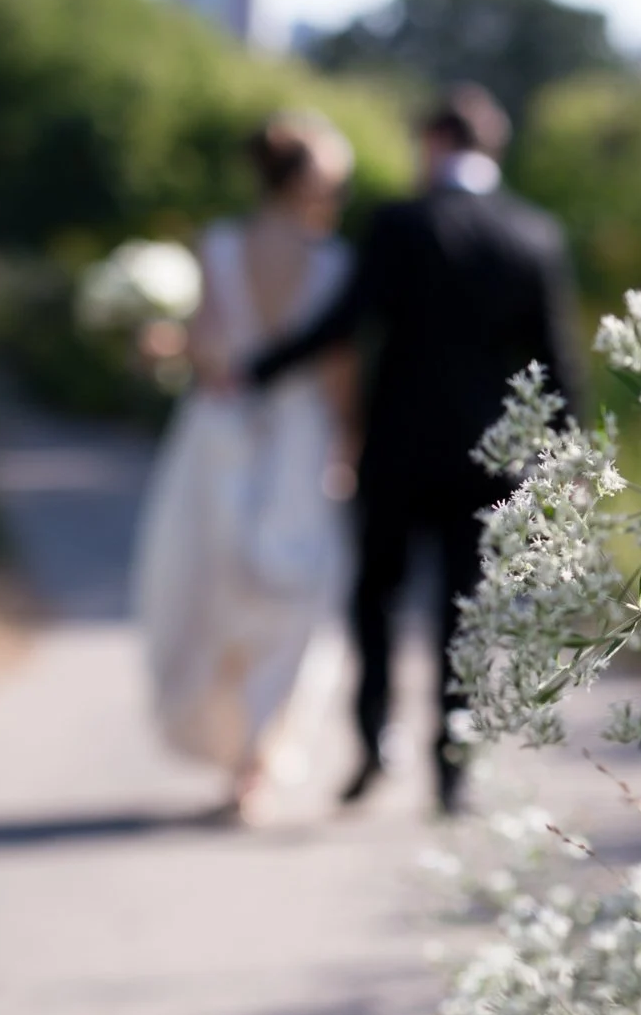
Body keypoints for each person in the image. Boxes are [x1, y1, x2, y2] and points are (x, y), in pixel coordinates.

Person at [247, 85, 583, 814]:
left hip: (398, 450)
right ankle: (451, 769)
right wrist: (571, 463)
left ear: (432, 142)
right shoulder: (533, 234)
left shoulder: (400, 223)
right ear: (490, 147)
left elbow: (344, 321)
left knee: (377, 598)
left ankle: (372, 738)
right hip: (491, 460)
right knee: (467, 612)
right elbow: (560, 365)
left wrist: (258, 370)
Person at [131, 110, 358, 820]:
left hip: (221, 430)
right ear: (311, 179)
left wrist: (160, 343)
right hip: (298, 433)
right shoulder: (334, 262)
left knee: (215, 583)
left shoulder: (221, 244)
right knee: (294, 594)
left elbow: (205, 344)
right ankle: (258, 753)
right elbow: (337, 367)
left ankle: (238, 758)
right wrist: (348, 440)